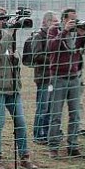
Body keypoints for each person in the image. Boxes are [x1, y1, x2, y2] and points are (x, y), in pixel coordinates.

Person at [0, 6, 38, 169]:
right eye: (0, 18)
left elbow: (10, 58)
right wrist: (9, 33)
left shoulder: (6, 35)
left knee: (20, 121)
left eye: (6, 18)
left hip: (12, 87)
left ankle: (24, 157)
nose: (4, 21)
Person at [46, 7, 85, 158]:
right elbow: (51, 47)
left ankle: (73, 146)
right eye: (72, 19)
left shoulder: (78, 33)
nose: (75, 22)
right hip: (57, 78)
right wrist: (65, 31)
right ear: (64, 19)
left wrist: (84, 34)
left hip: (74, 78)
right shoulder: (54, 30)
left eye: (76, 19)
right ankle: (53, 147)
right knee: (56, 115)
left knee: (75, 115)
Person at [30, 11, 58, 144]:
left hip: (52, 78)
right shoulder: (38, 36)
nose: (56, 24)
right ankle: (37, 134)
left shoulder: (54, 36)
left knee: (50, 107)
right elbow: (36, 56)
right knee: (42, 107)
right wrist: (52, 60)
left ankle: (47, 133)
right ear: (46, 22)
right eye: (54, 22)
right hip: (43, 78)